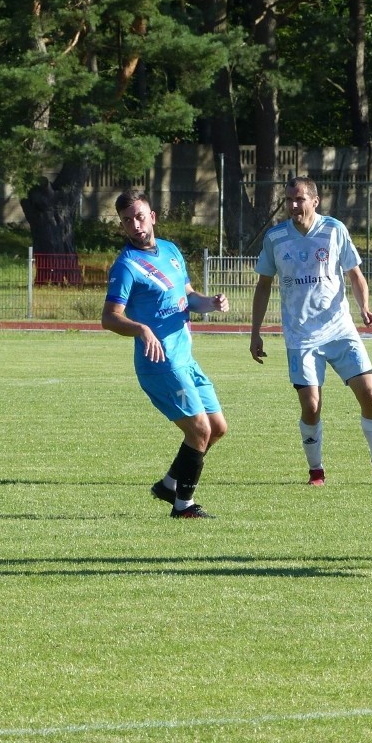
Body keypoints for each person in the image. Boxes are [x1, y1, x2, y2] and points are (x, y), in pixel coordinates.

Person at [250, 176, 372, 487]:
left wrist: (363, 306)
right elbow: (263, 286)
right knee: (311, 406)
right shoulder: (275, 238)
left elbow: (355, 274)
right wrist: (255, 332)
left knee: (370, 395)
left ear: (314, 201)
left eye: (299, 199)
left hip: (340, 330)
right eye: (289, 200)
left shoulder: (334, 229)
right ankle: (317, 472)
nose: (294, 205)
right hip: (300, 337)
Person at [102, 189, 230, 519]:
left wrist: (210, 304)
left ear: (153, 216)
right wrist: (142, 329)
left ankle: (169, 484)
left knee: (216, 428)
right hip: (159, 363)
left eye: (140, 216)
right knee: (199, 430)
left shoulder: (171, 251)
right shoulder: (126, 266)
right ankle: (183, 506)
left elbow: (188, 297)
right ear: (122, 226)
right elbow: (110, 316)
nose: (135, 224)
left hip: (185, 358)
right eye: (127, 220)